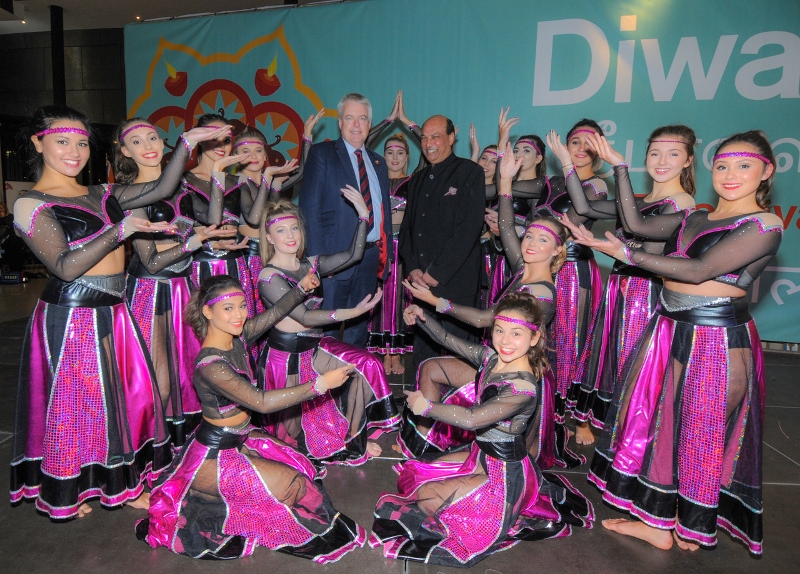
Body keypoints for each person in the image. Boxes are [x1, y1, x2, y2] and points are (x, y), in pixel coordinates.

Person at [564, 131, 780, 555]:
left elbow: (699, 270)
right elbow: (638, 226)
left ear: (766, 171)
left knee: (701, 431)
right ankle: (662, 524)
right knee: (662, 426)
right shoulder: (695, 217)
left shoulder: (763, 224)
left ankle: (690, 528)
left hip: (715, 338)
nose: (730, 175)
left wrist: (625, 254)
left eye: (743, 166)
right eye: (722, 166)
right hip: (669, 326)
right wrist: (621, 167)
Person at [9, 105, 227, 519]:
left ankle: (115, 485)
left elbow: (162, 188)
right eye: (62, 142)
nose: (74, 151)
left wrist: (188, 144)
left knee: (121, 401)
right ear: (38, 143)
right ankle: (80, 489)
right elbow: (65, 267)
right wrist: (120, 231)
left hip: (115, 308)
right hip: (74, 315)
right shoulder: (30, 203)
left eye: (81, 143)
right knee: (80, 403)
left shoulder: (100, 193)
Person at [136, 275, 367, 562]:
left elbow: (272, 314)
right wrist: (319, 385)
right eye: (228, 308)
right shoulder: (211, 366)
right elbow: (261, 402)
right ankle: (204, 493)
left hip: (242, 440)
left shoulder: (238, 336)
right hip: (214, 456)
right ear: (207, 311)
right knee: (292, 490)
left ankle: (223, 494)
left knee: (304, 478)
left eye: (243, 306)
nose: (239, 315)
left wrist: (300, 289)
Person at [370, 293, 594, 567]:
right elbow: (446, 339)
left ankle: (505, 507)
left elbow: (473, 419)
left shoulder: (523, 388)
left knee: (430, 507)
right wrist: (422, 317)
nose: (505, 341)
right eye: (499, 331)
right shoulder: (490, 357)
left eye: (516, 334)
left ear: (534, 339)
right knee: (421, 487)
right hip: (480, 456)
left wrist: (426, 406)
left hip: (504, 475)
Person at [398, 142, 564, 468]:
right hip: (493, 363)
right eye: (529, 235)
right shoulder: (523, 268)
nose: (529, 243)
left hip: (514, 381)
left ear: (557, 252)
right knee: (431, 367)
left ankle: (453, 458)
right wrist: (504, 184)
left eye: (542, 240)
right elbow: (505, 228)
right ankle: (422, 446)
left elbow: (485, 319)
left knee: (500, 454)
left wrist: (436, 302)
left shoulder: (541, 293)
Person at [548, 126, 697, 429]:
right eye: (655, 153)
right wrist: (566, 163)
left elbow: (637, 226)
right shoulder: (640, 200)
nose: (661, 160)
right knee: (613, 362)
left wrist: (619, 167)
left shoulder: (680, 203)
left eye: (673, 154)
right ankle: (615, 435)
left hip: (647, 294)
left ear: (688, 161)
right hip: (620, 288)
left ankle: (633, 442)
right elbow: (584, 206)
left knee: (634, 369)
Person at [115, 118, 237, 445]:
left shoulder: (181, 187)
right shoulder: (128, 195)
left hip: (182, 287)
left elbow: (212, 221)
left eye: (152, 137)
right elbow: (151, 261)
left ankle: (173, 447)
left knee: (185, 377)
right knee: (158, 381)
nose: (149, 146)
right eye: (137, 141)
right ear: (125, 151)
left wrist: (218, 174)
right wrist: (192, 241)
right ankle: (145, 452)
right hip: (151, 292)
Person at [257, 198, 400, 465]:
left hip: (315, 347)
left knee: (367, 364)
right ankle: (342, 437)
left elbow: (353, 255)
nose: (290, 236)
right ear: (269, 237)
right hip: (286, 359)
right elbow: (304, 316)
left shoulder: (310, 264)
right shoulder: (268, 277)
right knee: (292, 435)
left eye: (294, 228)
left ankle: (355, 437)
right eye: (281, 230)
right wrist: (352, 313)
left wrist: (362, 217)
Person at [299, 93, 392, 348]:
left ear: (370, 124)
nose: (356, 125)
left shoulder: (378, 162)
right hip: (333, 261)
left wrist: (387, 257)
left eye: (362, 118)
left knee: (358, 331)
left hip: (369, 259)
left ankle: (354, 384)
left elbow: (384, 214)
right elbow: (309, 210)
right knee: (326, 330)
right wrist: (318, 263)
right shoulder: (322, 154)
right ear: (339, 123)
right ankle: (325, 387)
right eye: (349, 118)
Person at [399, 114, 486, 371]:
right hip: (420, 283)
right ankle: (422, 406)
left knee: (456, 352)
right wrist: (413, 267)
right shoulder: (417, 179)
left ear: (451, 138)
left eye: (435, 136)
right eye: (424, 138)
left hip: (455, 282)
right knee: (424, 351)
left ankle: (457, 408)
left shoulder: (470, 172)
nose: (428, 143)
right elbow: (407, 229)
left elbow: (468, 230)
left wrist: (436, 273)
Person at [542, 118, 609, 447]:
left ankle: (579, 417)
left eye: (588, 143)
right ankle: (546, 405)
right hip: (543, 268)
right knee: (545, 340)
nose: (580, 149)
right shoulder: (551, 181)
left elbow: (575, 220)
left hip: (575, 271)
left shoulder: (598, 186)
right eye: (574, 143)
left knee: (577, 343)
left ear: (598, 150)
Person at [365, 133, 416, 374]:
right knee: (382, 299)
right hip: (380, 248)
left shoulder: (415, 181)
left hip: (404, 249)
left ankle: (397, 353)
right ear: (381, 157)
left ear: (407, 157)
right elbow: (364, 145)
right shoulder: (376, 179)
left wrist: (406, 122)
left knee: (400, 299)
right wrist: (388, 121)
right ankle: (384, 352)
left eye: (400, 152)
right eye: (389, 152)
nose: (394, 157)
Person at [182, 113, 250, 289]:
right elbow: (180, 231)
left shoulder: (238, 181)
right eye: (214, 138)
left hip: (235, 264)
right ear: (201, 140)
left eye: (226, 140)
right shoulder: (183, 181)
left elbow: (255, 219)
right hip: (201, 267)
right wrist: (212, 244)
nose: (221, 145)